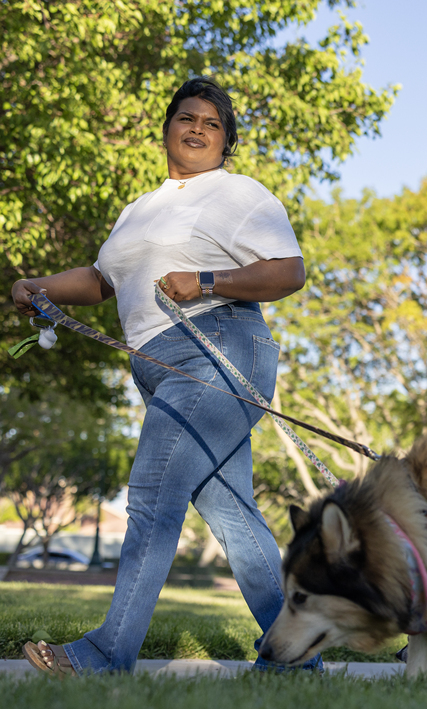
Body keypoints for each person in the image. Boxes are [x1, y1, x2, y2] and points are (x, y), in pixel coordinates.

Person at [12, 76, 321, 675]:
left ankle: (106, 653)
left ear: (226, 141)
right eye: (187, 118)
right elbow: (103, 281)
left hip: (219, 347)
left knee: (153, 497)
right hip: (159, 365)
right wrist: (41, 287)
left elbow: (289, 271)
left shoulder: (239, 195)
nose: (198, 128)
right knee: (233, 512)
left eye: (212, 123)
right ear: (167, 130)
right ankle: (295, 658)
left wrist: (206, 280)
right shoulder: (141, 209)